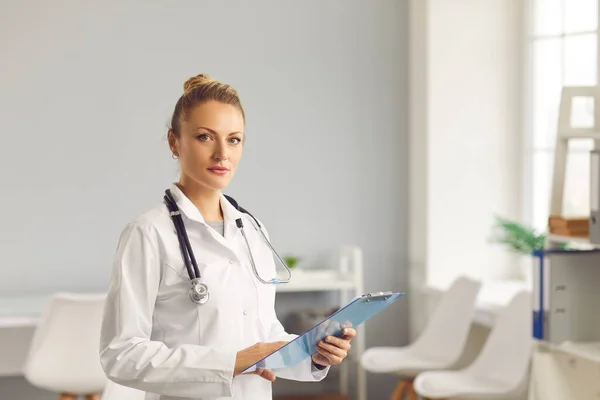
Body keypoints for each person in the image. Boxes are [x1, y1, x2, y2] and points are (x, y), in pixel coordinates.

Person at [99, 73, 357, 400]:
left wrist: (313, 356)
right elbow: (121, 354)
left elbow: (264, 333)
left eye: (234, 139)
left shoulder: (252, 229)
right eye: (206, 137)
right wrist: (229, 363)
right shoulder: (148, 233)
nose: (223, 153)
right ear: (174, 142)